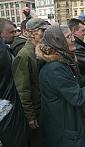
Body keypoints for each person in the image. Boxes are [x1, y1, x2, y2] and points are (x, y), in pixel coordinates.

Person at [36, 25, 85, 147]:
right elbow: (76, 96)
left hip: (64, 120)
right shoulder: (55, 67)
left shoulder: (60, 62)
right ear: (58, 41)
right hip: (63, 124)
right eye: (68, 37)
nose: (73, 39)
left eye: (72, 35)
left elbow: (70, 83)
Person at [12, 18, 48, 147]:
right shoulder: (24, 55)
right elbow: (22, 89)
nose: (45, 33)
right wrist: (30, 116)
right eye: (42, 30)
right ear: (31, 33)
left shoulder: (40, 50)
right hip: (36, 112)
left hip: (44, 107)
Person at [0, 18, 28, 147]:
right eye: (11, 32)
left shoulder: (5, 49)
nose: (15, 34)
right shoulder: (3, 51)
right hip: (7, 107)